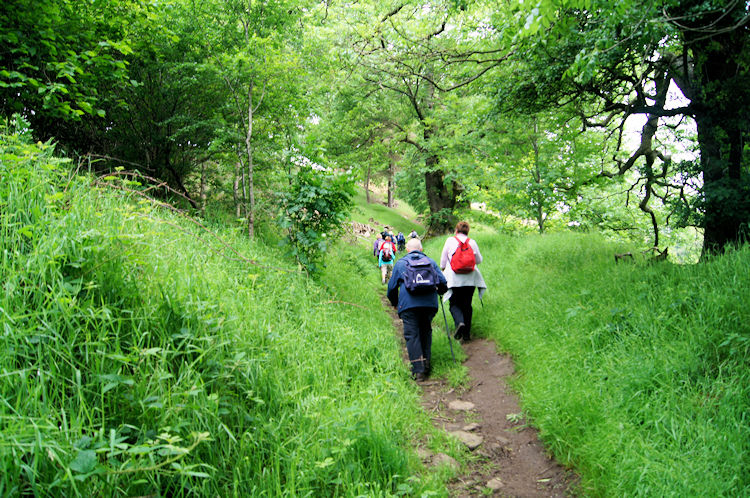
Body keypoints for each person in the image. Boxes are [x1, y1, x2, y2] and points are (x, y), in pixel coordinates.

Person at [387, 238, 447, 381]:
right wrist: (439, 292)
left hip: (408, 306)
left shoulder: (401, 263)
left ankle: (418, 370)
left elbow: (391, 288)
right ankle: (426, 364)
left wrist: (395, 303)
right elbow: (443, 282)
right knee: (425, 331)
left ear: (407, 249)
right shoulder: (430, 262)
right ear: (421, 249)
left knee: (412, 335)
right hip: (429, 305)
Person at [439, 221, 487, 342]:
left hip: (454, 279)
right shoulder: (472, 242)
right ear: (467, 231)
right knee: (467, 305)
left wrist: (444, 269)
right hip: (470, 279)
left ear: (456, 230)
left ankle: (460, 323)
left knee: (454, 304)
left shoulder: (450, 241)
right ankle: (466, 335)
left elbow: (443, 261)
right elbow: (479, 260)